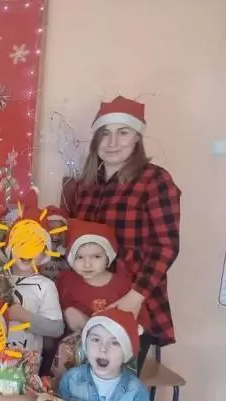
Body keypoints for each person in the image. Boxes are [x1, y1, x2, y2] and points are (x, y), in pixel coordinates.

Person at [70, 96, 181, 371]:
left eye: (123, 132)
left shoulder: (155, 180)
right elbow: (76, 244)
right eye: (104, 133)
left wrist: (134, 298)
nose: (112, 142)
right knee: (78, 383)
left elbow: (166, 246)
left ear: (137, 139)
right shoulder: (86, 185)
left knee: (115, 384)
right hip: (88, 300)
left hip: (133, 298)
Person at [0, 193, 65, 364]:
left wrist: (24, 316)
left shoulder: (46, 286)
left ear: (44, 253)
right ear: (10, 248)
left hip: (26, 366)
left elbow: (57, 328)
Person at [57, 219, 147, 333]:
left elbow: (141, 319)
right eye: (79, 257)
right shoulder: (66, 281)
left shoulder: (122, 283)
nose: (87, 264)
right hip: (76, 340)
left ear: (108, 257)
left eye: (96, 257)